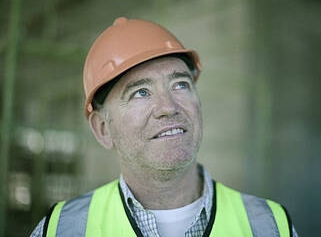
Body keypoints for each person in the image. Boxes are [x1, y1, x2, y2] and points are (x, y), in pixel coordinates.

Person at [30, 17, 298, 237]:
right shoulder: (60, 229)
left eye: (180, 85)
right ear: (102, 129)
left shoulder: (271, 226)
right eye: (141, 92)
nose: (169, 107)